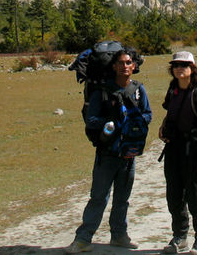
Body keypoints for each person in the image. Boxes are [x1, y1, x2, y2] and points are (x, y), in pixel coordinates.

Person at [65, 50, 152, 254]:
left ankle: (119, 235)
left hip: (129, 154)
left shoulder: (139, 90)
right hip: (107, 153)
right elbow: (91, 120)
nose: (125, 66)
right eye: (120, 63)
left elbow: (148, 114)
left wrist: (134, 126)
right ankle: (83, 238)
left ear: (134, 66)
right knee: (99, 197)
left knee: (123, 198)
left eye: (128, 62)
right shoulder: (102, 91)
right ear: (113, 66)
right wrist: (111, 124)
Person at [158, 51, 197, 255]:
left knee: (196, 195)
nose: (179, 68)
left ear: (192, 68)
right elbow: (169, 112)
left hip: (195, 148)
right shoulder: (173, 89)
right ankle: (180, 236)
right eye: (176, 65)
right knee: (174, 194)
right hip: (174, 147)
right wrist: (163, 127)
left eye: (184, 65)